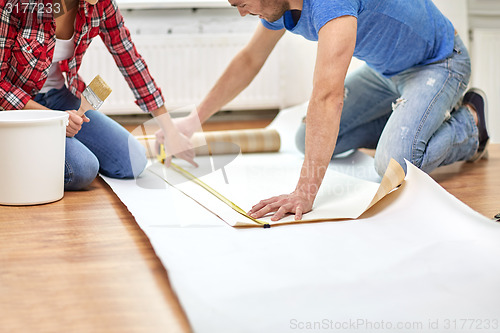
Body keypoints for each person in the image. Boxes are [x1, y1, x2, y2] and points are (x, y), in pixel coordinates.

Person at [171, 0, 490, 222]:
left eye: (241, 3)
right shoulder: (277, 8)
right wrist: (191, 122)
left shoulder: (329, 2)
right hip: (386, 73)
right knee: (303, 138)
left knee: (391, 166)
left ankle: (471, 126)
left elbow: (327, 96)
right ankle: (410, 120)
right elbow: (249, 61)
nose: (242, 13)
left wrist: (304, 192)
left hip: (439, 63)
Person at [0, 0, 196, 191]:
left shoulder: (102, 4)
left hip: (59, 97)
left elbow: (130, 59)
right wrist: (54, 119)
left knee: (133, 161)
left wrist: (169, 130)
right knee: (82, 170)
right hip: (16, 108)